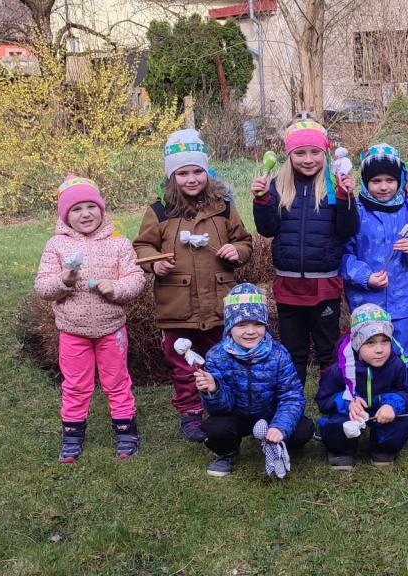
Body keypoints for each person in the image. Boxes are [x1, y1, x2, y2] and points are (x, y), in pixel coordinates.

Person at [134, 129, 253, 442]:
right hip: (178, 305)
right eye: (182, 173)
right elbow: (142, 247)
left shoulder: (223, 207)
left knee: (221, 358)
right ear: (171, 177)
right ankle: (190, 411)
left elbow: (244, 241)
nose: (191, 179)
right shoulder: (159, 211)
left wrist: (236, 251)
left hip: (218, 303)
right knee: (183, 363)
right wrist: (154, 263)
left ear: (207, 172)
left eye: (197, 171)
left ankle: (222, 406)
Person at [34, 175, 146, 462]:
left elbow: (136, 278)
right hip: (73, 331)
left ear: (101, 209)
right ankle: (72, 436)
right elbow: (43, 287)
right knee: (75, 385)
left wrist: (116, 288)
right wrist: (64, 280)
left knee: (117, 381)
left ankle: (126, 432)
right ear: (65, 215)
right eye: (76, 209)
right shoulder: (56, 245)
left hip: (112, 329)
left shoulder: (118, 243)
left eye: (91, 206)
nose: (85, 214)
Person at [252, 116, 358, 384]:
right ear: (289, 155)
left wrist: (346, 198)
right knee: (293, 350)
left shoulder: (334, 184)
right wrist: (262, 200)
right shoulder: (277, 185)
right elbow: (267, 229)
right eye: (300, 153)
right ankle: (292, 397)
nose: (308, 159)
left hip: (324, 285)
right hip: (288, 285)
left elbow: (348, 230)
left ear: (325, 153)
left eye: (315, 152)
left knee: (327, 349)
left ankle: (331, 395)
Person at [195, 284, 315, 477]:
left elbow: (291, 397)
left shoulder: (279, 354)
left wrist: (279, 426)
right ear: (229, 327)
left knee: (303, 430)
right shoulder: (216, 356)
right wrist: (214, 390)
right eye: (241, 325)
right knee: (216, 428)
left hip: (270, 413)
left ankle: (278, 443)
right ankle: (227, 452)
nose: (250, 331)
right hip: (237, 415)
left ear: (265, 325)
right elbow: (218, 409)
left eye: (257, 324)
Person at [341, 143, 408, 388]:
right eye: (376, 181)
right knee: (370, 345)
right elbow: (343, 254)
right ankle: (368, 390)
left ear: (400, 180)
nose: (384, 187)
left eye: (390, 180)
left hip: (402, 298)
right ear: (365, 182)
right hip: (366, 301)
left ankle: (406, 390)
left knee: (403, 345)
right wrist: (365, 277)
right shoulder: (356, 212)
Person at [315, 304, 408, 469]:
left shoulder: (395, 365)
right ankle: (341, 451)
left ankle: (383, 448)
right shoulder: (341, 368)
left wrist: (392, 405)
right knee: (335, 424)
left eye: (385, 341)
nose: (379, 350)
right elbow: (323, 399)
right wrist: (348, 402)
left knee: (405, 420)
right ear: (357, 344)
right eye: (370, 343)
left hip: (381, 410)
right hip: (351, 413)